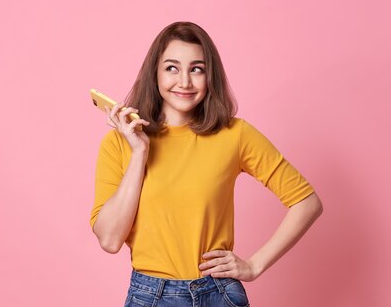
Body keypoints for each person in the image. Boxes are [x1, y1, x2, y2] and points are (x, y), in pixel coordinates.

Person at [90, 21, 323, 307]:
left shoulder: (234, 135)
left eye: (196, 69)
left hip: (218, 294)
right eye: (172, 68)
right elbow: (110, 240)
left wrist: (254, 265)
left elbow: (306, 202)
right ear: (155, 73)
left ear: (210, 75)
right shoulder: (119, 144)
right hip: (150, 296)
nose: (185, 82)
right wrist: (139, 153)